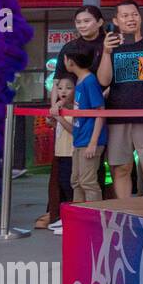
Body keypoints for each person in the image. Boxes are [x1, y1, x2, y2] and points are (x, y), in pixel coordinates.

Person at [36, 5, 108, 227]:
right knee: (69, 171)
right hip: (72, 115)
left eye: (87, 21)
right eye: (79, 22)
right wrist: (55, 108)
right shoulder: (70, 47)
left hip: (99, 117)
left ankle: (100, 216)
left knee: (98, 173)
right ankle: (62, 214)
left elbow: (106, 88)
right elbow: (58, 82)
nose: (82, 25)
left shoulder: (108, 44)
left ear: (100, 22)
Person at [97, 0, 143, 198]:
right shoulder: (109, 49)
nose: (131, 19)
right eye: (125, 15)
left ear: (140, 17)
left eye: (134, 14)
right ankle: (126, 212)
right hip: (117, 119)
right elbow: (104, 81)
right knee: (120, 168)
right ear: (116, 20)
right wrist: (106, 52)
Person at [54, 48, 107, 204]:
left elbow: (100, 111)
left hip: (89, 140)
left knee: (88, 182)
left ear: (71, 62)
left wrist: (93, 142)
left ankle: (95, 218)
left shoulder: (90, 81)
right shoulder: (80, 81)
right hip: (79, 139)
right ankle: (80, 219)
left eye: (64, 60)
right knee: (76, 181)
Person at [45, 75, 76, 229]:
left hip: (72, 153)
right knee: (62, 186)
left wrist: (60, 118)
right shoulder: (59, 108)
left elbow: (74, 130)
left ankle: (72, 219)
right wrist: (52, 120)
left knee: (69, 185)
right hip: (60, 153)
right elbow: (55, 126)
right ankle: (64, 218)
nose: (63, 91)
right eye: (60, 87)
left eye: (69, 88)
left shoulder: (77, 108)